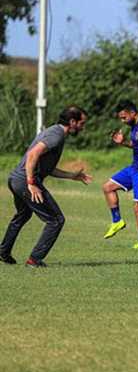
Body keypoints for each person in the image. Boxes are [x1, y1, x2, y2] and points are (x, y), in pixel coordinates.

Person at [1, 106, 92, 267]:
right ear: (72, 122)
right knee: (56, 220)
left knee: (23, 215)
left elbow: (47, 168)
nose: (83, 127)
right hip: (24, 181)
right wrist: (31, 183)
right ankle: (34, 260)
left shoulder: (55, 132)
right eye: (81, 123)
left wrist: (72, 176)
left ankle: (3, 252)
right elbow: (33, 154)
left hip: (15, 179)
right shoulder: (56, 135)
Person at [102, 100, 138, 250]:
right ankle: (117, 221)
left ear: (132, 113)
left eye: (124, 117)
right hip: (133, 168)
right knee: (107, 187)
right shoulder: (134, 126)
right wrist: (123, 142)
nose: (122, 121)